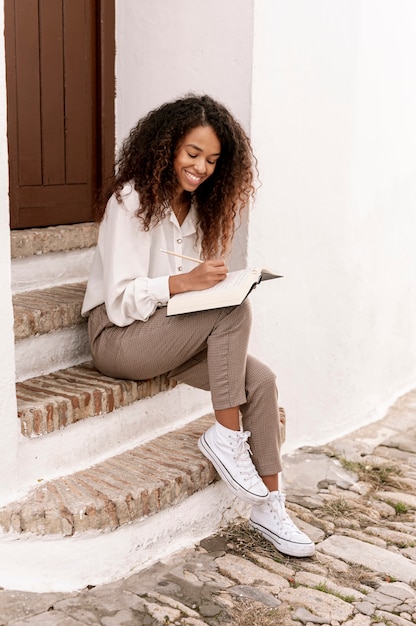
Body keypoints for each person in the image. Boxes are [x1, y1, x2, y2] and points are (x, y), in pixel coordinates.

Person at [82, 94, 315, 558]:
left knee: (262, 382)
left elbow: (193, 300)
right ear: (166, 147)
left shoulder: (200, 209)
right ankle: (226, 438)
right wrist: (184, 283)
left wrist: (212, 285)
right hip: (118, 338)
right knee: (232, 310)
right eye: (192, 153)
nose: (201, 167)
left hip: (169, 335)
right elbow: (123, 302)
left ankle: (270, 504)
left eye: (212, 160)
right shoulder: (130, 202)